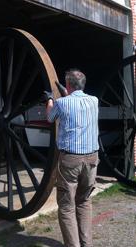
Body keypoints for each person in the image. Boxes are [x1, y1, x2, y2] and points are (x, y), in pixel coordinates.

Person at [46, 69, 99, 247]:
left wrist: (50, 100)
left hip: (70, 159)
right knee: (84, 202)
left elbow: (49, 117)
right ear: (83, 84)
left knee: (67, 206)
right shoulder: (94, 101)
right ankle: (86, 244)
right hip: (92, 159)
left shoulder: (61, 103)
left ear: (67, 84)